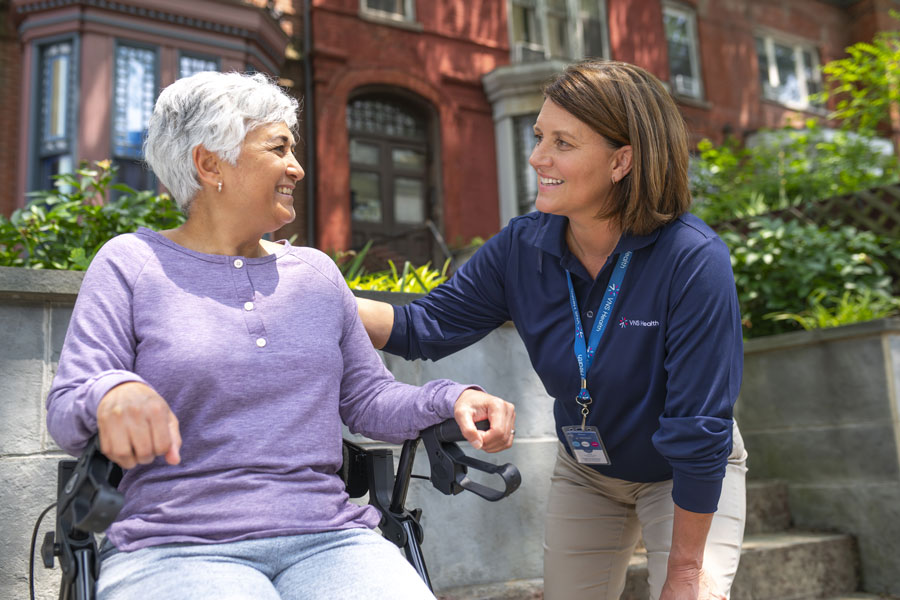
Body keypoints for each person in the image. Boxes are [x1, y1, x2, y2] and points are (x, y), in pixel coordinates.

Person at [45, 70, 515, 600]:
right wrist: (112, 393)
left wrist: (452, 398)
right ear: (208, 163)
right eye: (279, 148)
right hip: (176, 545)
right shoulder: (132, 264)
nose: (297, 166)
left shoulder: (315, 274)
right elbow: (66, 408)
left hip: (329, 540)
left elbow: (368, 398)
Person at [356, 60, 747, 600]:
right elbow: (427, 324)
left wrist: (684, 573)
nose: (538, 157)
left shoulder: (692, 259)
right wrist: (316, 296)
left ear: (621, 160)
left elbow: (699, 426)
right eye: (540, 137)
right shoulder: (523, 245)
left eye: (563, 142)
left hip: (685, 473)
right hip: (589, 474)